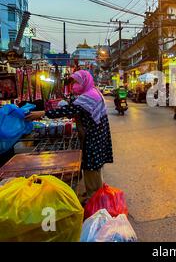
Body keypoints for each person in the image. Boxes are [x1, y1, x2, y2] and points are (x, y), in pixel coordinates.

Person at [26, 70, 114, 201]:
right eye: (73, 82)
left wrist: (43, 113)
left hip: (94, 136)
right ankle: (95, 192)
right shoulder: (94, 92)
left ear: (85, 81)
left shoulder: (89, 96)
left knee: (91, 166)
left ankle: (94, 198)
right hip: (98, 134)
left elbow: (68, 110)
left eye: (76, 82)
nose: (74, 85)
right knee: (95, 166)